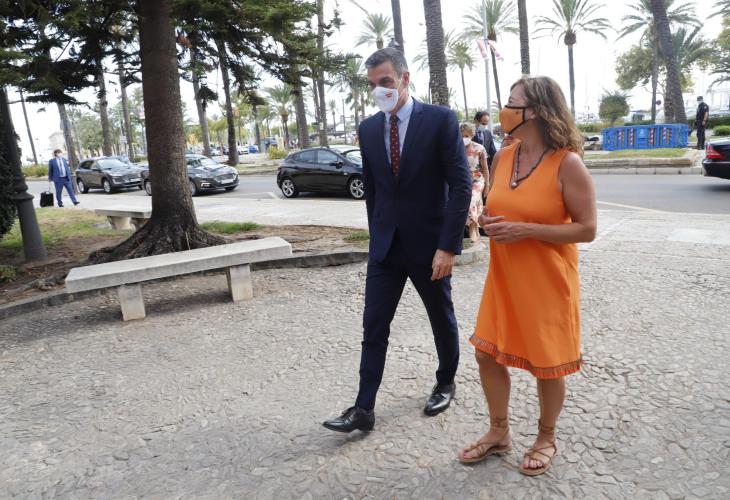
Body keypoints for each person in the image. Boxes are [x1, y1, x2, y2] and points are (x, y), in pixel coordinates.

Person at [322, 47, 472, 433]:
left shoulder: (439, 120)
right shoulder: (368, 129)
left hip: (430, 247)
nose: (379, 90)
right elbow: (373, 191)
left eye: (385, 81)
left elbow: (460, 186)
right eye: (372, 84)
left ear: (405, 78)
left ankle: (445, 382)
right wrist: (377, 239)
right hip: (386, 249)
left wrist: (448, 246)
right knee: (373, 326)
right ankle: (363, 409)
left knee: (440, 317)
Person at [458, 76, 597, 476]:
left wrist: (527, 230)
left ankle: (546, 437)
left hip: (547, 281)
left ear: (534, 111)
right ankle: (499, 431)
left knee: (546, 364)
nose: (503, 109)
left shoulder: (567, 163)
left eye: (511, 102)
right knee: (486, 353)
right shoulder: (505, 155)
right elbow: (500, 205)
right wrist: (488, 219)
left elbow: (587, 229)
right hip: (503, 277)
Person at [461, 122, 489, 242]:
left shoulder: (479, 148)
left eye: (467, 136)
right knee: (477, 204)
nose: (464, 138)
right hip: (463, 181)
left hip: (478, 180)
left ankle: (472, 227)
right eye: (462, 135)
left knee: (472, 199)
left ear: (472, 135)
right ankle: (476, 228)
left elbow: (485, 169)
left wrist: (487, 185)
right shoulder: (456, 148)